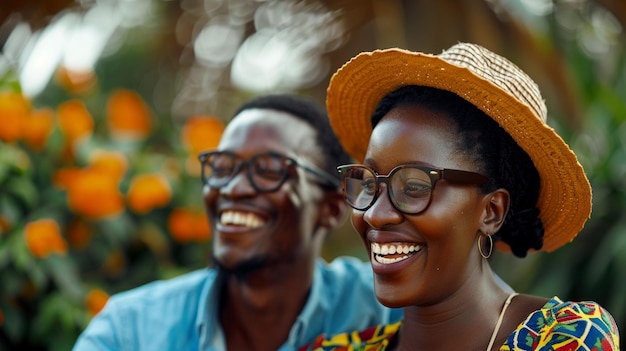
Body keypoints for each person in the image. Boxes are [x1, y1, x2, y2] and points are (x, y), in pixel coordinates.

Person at [301, 43, 620, 350]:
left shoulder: (567, 338)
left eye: (413, 187)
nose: (375, 214)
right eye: (370, 184)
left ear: (491, 211)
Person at [73, 94, 403, 351]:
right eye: (222, 167)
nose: (233, 188)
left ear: (330, 208)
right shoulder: (131, 331)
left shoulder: (387, 312)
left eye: (269, 170)